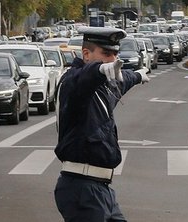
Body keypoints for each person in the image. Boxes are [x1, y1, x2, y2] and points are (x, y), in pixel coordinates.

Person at [54, 26, 149, 222]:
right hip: (81, 189)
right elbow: (83, 78)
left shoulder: (105, 86)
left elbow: (123, 80)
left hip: (102, 189)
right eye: (106, 53)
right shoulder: (73, 83)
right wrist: (98, 69)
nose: (112, 59)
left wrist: (138, 75)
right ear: (86, 54)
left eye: (115, 54)